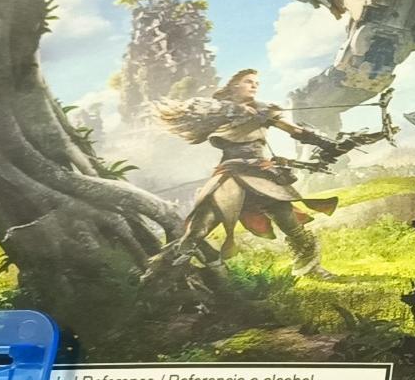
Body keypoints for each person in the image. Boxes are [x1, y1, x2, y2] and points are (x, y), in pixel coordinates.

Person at [147, 69, 347, 283]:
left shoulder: (264, 109)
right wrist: (245, 112)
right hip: (230, 174)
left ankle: (312, 270)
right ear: (235, 85)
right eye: (248, 81)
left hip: (262, 175)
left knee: (293, 227)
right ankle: (160, 277)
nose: (254, 86)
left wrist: (326, 144)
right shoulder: (219, 109)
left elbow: (295, 130)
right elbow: (203, 108)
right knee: (196, 232)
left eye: (256, 83)